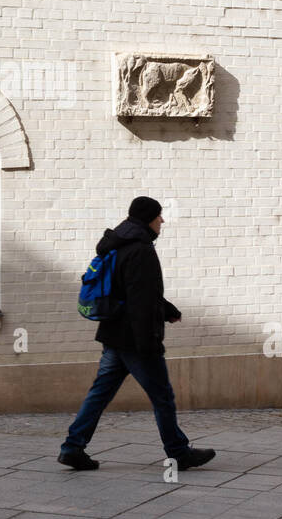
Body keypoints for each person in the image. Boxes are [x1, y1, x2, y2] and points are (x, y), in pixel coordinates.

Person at [58, 195, 216, 472]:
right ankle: (179, 452)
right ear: (148, 219)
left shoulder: (117, 245)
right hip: (135, 338)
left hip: (114, 334)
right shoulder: (141, 250)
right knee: (162, 396)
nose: (162, 221)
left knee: (99, 394)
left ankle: (72, 447)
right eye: (158, 216)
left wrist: (166, 309)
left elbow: (132, 291)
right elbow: (140, 301)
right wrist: (149, 344)